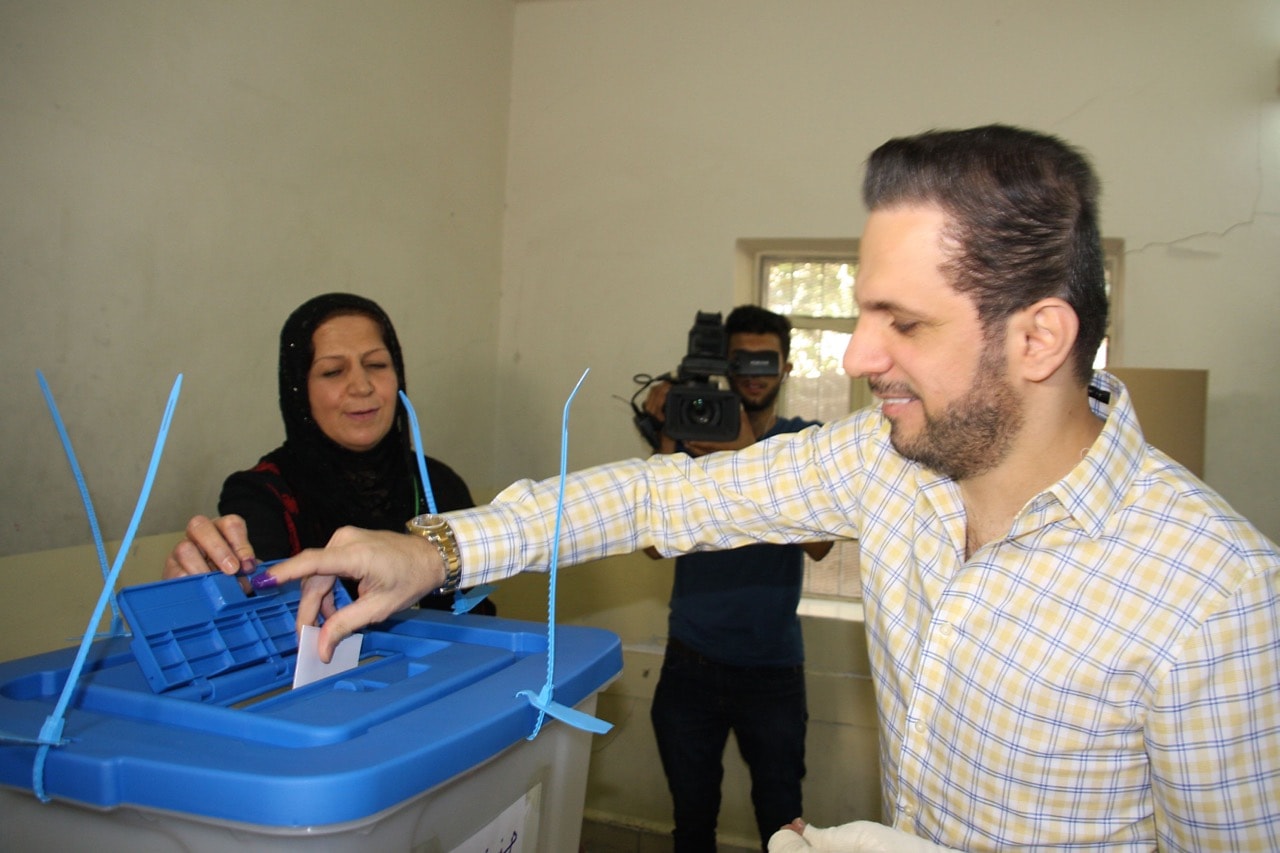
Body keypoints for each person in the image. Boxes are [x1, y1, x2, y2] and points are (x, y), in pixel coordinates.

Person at [253, 126, 1279, 851]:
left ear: (1038, 336)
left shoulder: (1215, 595)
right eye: (860, 312)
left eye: (902, 321)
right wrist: (434, 547)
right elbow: (658, 499)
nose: (860, 353)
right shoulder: (888, 461)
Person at [164, 291, 493, 614]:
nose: (362, 386)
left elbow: (478, 614)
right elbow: (254, 602)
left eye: (377, 364)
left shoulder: (438, 482)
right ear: (299, 390)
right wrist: (209, 586)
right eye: (333, 372)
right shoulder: (260, 495)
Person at [640, 305, 832, 852]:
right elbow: (654, 545)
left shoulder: (804, 443)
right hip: (690, 665)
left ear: (786, 368)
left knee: (784, 827)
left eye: (764, 360)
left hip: (772, 672)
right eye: (740, 359)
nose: (752, 372)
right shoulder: (697, 434)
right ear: (725, 363)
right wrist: (671, 430)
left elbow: (819, 544)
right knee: (692, 824)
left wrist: (746, 455)